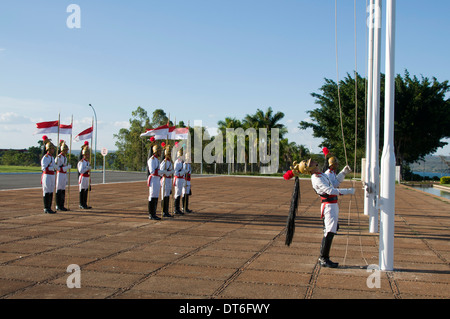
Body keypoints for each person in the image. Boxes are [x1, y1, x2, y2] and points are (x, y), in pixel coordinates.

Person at [298, 158, 354, 268]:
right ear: (310, 168)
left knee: (331, 230)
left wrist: (343, 173)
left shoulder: (321, 175)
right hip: (328, 205)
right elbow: (330, 190)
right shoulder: (317, 178)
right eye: (311, 163)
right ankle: (323, 258)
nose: (314, 162)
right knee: (329, 232)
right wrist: (347, 191)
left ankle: (324, 257)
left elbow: (334, 183)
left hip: (332, 205)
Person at [148, 144, 168, 220]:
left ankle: (154, 213)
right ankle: (151, 214)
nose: (160, 153)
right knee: (152, 196)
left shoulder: (156, 159)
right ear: (156, 151)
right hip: (153, 178)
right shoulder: (152, 159)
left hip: (157, 179)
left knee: (156, 196)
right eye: (159, 151)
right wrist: (162, 171)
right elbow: (152, 171)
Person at [41, 141, 57, 214]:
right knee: (47, 191)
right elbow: (44, 168)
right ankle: (46, 207)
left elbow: (54, 166)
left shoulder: (52, 158)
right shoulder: (45, 157)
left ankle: (49, 207)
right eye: (52, 149)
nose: (53, 150)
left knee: (51, 191)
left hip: (52, 175)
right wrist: (52, 167)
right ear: (49, 149)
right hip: (47, 175)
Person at [55, 140, 71, 211]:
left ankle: (62, 204)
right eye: (65, 150)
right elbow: (57, 167)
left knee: (63, 190)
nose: (66, 151)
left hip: (64, 174)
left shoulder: (65, 157)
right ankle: (58, 205)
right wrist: (66, 168)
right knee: (59, 189)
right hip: (60, 174)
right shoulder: (59, 157)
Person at [159, 145, 174, 218]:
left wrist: (170, 172)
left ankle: (166, 211)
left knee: (167, 195)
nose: (170, 156)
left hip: (169, 180)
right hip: (164, 179)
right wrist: (167, 172)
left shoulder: (170, 162)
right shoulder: (164, 162)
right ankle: (163, 211)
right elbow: (161, 172)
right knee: (164, 195)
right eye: (169, 154)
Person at [78, 143, 92, 209]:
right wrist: (87, 168)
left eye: (88, 154)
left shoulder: (87, 162)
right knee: (82, 190)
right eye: (87, 154)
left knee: (86, 190)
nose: (88, 155)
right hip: (83, 177)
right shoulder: (82, 162)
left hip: (87, 177)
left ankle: (85, 203)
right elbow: (81, 170)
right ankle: (81, 204)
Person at [172, 149, 185, 215]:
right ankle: (176, 209)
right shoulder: (177, 162)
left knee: (179, 193)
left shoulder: (182, 162)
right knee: (177, 194)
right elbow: (175, 173)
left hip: (181, 179)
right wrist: (182, 172)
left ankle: (178, 208)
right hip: (178, 179)